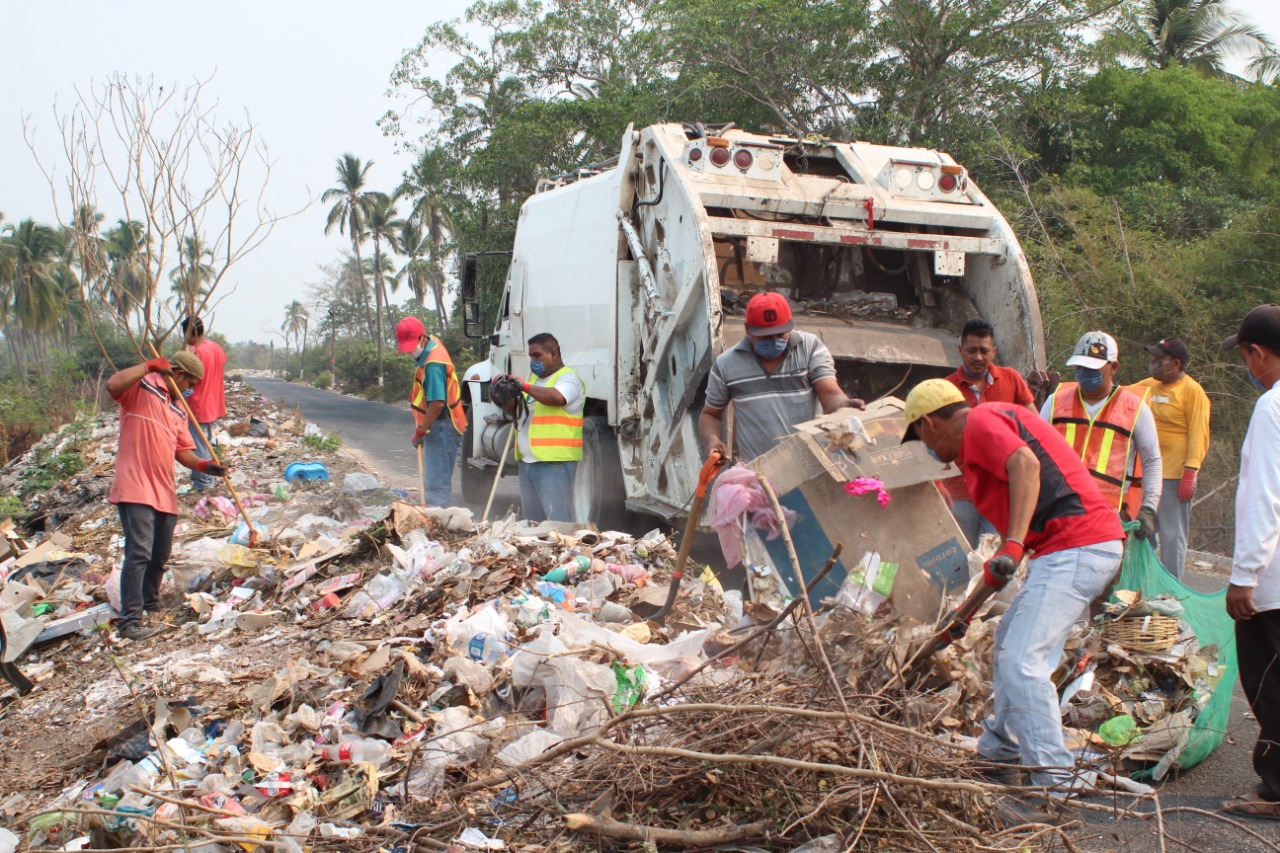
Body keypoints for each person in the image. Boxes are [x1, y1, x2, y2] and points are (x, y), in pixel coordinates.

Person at [902, 378, 1124, 791]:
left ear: (928, 423)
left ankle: (1056, 780)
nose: (927, 449)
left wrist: (1014, 543)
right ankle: (999, 749)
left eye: (918, 436)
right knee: (1007, 641)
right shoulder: (986, 431)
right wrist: (961, 617)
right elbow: (1002, 564)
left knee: (1024, 661)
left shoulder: (980, 420)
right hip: (1065, 550)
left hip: (1077, 545)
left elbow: (1024, 463)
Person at [107, 352, 226, 641]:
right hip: (135, 485)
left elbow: (183, 452)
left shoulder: (178, 410)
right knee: (138, 554)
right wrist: (149, 365)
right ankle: (130, 623)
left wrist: (205, 465)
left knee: (159, 556)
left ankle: (151, 605)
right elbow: (113, 385)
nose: (191, 390)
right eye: (190, 382)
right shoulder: (142, 386)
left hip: (163, 490)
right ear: (177, 373)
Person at [1220, 304, 1280, 820]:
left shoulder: (1272, 407)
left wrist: (1244, 577)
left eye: (1245, 355)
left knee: (1269, 682)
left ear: (1256, 352)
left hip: (1273, 581)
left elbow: (1263, 497)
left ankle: (1278, 788)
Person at [699, 291, 863, 463]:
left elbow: (830, 395)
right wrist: (713, 440)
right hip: (758, 475)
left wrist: (843, 406)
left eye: (780, 333)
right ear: (748, 329)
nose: (774, 340)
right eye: (766, 336)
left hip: (810, 466)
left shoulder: (810, 348)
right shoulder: (727, 364)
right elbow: (710, 415)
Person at [1041, 331, 1162, 539]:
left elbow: (1152, 461)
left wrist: (1149, 508)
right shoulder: (1055, 403)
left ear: (1113, 367)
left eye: (1093, 368)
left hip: (1108, 521)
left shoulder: (1135, 409)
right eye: (1081, 367)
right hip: (1058, 514)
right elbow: (1035, 453)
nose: (1085, 372)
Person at [942, 318, 1037, 547]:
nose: (978, 357)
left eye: (984, 351)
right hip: (960, 491)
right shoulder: (945, 388)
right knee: (961, 560)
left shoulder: (1012, 380)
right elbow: (934, 441)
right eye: (971, 350)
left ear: (993, 351)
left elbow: (1033, 425)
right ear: (960, 350)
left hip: (1001, 490)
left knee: (993, 556)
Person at [1136, 337, 1211, 578]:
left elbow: (1199, 434)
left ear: (1176, 363)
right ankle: (1142, 586)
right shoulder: (1148, 386)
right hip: (1147, 474)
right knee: (1143, 534)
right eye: (1153, 359)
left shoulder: (1192, 391)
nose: (1154, 364)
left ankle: (1170, 593)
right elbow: (1119, 397)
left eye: (1160, 360)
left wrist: (1190, 472)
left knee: (1172, 537)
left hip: (1174, 477)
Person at [495, 333, 586, 523]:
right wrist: (503, 392)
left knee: (557, 524)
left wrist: (525, 387)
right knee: (533, 525)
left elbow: (557, 398)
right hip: (528, 463)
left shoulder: (568, 379)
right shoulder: (536, 382)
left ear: (553, 354)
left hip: (554, 465)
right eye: (531, 356)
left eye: (537, 355)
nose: (533, 361)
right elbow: (516, 411)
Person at [395, 316, 467, 508]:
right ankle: (434, 523)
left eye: (411, 346)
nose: (410, 351)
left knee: (436, 487)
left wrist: (422, 430)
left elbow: (437, 402)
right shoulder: (431, 347)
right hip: (442, 424)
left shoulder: (434, 364)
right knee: (434, 483)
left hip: (443, 425)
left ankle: (437, 529)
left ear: (422, 338)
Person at [182, 317, 227, 491]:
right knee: (205, 443)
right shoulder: (216, 348)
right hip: (213, 403)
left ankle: (202, 483)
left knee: (198, 446)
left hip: (198, 404)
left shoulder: (196, 353)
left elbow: (190, 380)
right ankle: (206, 480)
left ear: (190, 334)